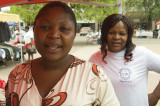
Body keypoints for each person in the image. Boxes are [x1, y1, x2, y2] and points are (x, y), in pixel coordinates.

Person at [5, 2, 120, 106]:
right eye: (45, 27)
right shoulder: (17, 75)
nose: (54, 34)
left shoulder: (94, 75)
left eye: (64, 28)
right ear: (33, 31)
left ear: (74, 34)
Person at [89, 14, 160, 106]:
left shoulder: (142, 54)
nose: (116, 37)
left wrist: (155, 96)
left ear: (129, 36)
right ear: (105, 34)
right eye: (112, 32)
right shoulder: (94, 59)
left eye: (122, 34)